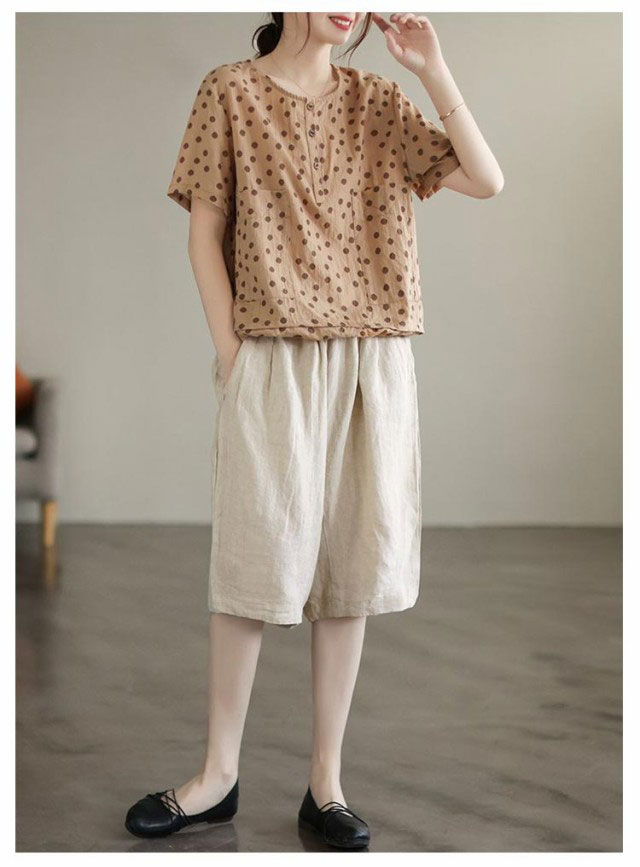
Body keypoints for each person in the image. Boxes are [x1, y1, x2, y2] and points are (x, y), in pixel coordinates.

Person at [125, 11, 503, 850]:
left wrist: (432, 69)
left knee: (351, 568)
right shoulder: (229, 91)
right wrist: (234, 355)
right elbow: (204, 231)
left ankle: (326, 784)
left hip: (374, 357)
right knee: (252, 562)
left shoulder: (381, 100)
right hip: (272, 353)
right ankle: (217, 775)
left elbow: (487, 179)